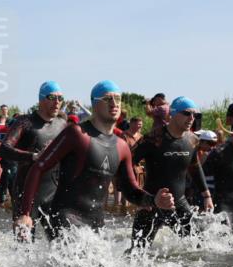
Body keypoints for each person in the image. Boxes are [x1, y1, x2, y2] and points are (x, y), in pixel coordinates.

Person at [15, 80, 173, 240]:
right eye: (107, 99)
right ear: (94, 104)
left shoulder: (122, 146)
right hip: (66, 218)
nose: (114, 103)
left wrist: (154, 200)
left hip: (96, 223)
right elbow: (38, 168)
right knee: (78, 256)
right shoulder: (76, 134)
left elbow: (130, 190)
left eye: (117, 99)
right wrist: (25, 214)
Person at [129, 96, 212, 248]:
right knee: (137, 252)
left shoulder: (193, 140)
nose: (191, 118)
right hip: (151, 204)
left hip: (179, 203)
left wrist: (206, 195)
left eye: (195, 114)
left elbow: (195, 167)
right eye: (187, 113)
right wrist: (138, 198)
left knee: (199, 247)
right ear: (173, 113)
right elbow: (126, 163)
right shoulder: (153, 138)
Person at [0, 81, 68, 237]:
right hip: (25, 193)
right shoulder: (25, 122)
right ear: (41, 99)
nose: (57, 102)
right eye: (52, 97)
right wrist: (33, 156)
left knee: (60, 243)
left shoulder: (62, 124)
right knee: (23, 244)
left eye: (60, 98)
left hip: (52, 193)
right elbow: (4, 149)